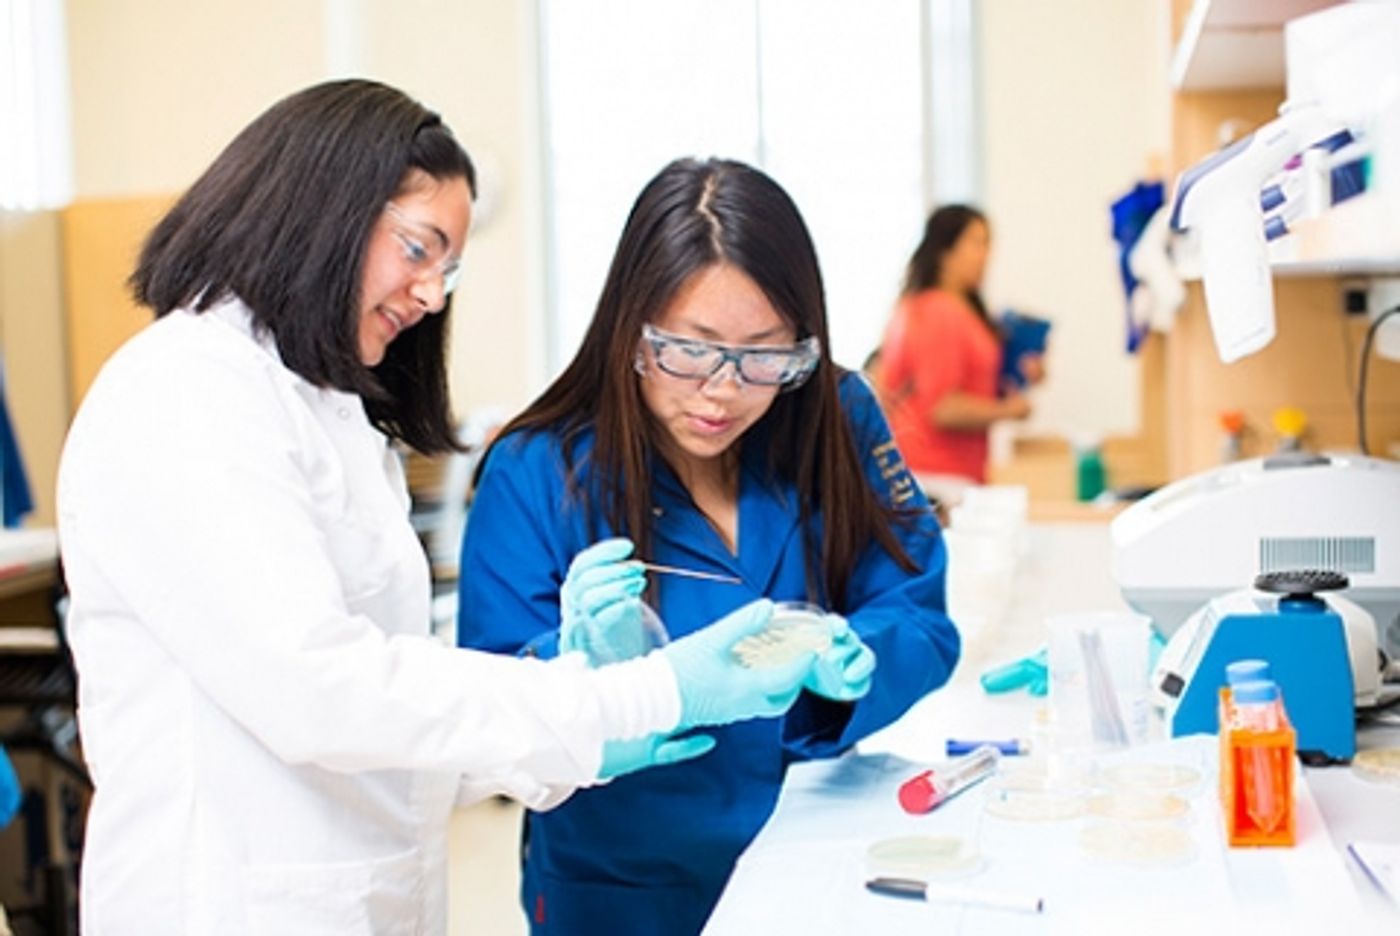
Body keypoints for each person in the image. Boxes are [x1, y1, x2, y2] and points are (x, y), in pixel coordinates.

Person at [55, 81, 818, 936]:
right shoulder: (184, 391)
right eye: (419, 249)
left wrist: (571, 704)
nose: (432, 295)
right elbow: (319, 689)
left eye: (448, 268)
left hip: (362, 899)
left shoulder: (331, 416)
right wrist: (640, 696)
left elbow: (400, 720)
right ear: (320, 209)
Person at [458, 157, 961, 935]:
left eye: (764, 353)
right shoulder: (535, 469)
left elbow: (918, 611)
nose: (723, 391)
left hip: (817, 861)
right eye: (690, 350)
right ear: (631, 329)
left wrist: (850, 665)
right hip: (624, 892)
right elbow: (492, 713)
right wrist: (579, 668)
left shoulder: (836, 415)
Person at [877, 205, 1045, 499]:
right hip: (936, 477)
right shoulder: (940, 312)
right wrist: (1011, 411)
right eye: (977, 242)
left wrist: (1019, 373)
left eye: (989, 244)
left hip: (941, 474)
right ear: (946, 249)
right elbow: (943, 408)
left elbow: (969, 385)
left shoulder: (941, 309)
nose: (986, 255)